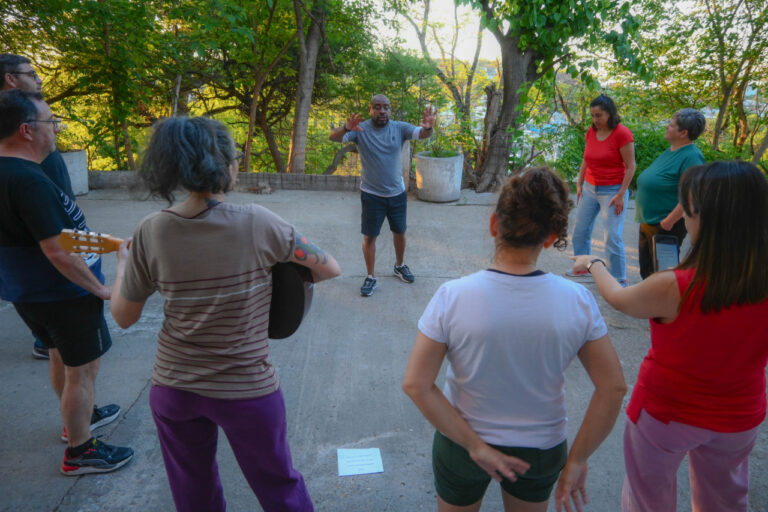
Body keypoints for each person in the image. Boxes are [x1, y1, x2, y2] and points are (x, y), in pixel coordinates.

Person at [110, 116, 341, 512]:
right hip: (246, 388)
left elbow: (124, 316)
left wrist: (122, 265)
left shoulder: (151, 230)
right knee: (279, 487)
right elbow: (328, 267)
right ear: (226, 165)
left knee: (193, 492)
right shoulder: (258, 222)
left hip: (175, 387)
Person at [403, 167, 627, 512]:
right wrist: (578, 458)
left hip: (461, 442)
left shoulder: (453, 296)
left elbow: (417, 385)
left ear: (495, 225)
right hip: (541, 449)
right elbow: (612, 387)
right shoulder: (577, 301)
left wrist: (475, 446)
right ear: (551, 236)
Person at [571, 161, 768, 512]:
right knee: (725, 499)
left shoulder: (673, 286)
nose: (683, 219)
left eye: (687, 210)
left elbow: (618, 298)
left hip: (664, 414)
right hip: (739, 416)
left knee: (648, 500)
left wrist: (594, 263)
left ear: (704, 218)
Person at [0, 89, 132, 475]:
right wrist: (102, 289)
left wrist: (100, 243)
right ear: (26, 130)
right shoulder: (29, 181)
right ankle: (80, 449)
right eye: (50, 122)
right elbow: (57, 251)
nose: (55, 129)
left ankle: (79, 418)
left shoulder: (8, 174)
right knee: (83, 369)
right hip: (64, 293)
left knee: (61, 355)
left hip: (29, 293)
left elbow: (47, 234)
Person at [1, 53, 76, 360]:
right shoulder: (20, 172)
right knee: (50, 245)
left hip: (47, 190)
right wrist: (102, 290)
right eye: (31, 73)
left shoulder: (25, 112)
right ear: (10, 79)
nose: (39, 77)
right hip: (36, 197)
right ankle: (53, 338)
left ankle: (50, 337)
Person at [329, 94, 435, 296]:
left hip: (397, 194)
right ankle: (370, 276)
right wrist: (346, 128)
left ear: (390, 110)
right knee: (370, 237)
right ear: (370, 110)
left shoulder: (399, 128)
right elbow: (333, 137)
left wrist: (428, 127)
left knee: (400, 232)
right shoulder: (360, 130)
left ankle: (400, 265)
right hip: (372, 195)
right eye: (377, 107)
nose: (382, 111)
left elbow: (421, 134)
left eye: (385, 107)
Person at [567, 93, 635, 286]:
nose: (595, 120)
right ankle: (582, 268)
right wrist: (579, 183)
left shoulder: (622, 133)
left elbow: (631, 166)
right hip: (589, 188)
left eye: (599, 115)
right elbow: (586, 158)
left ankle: (618, 278)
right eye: (593, 115)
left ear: (610, 114)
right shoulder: (591, 131)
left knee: (612, 236)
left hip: (613, 191)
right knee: (580, 230)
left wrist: (621, 194)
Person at [634, 108, 705, 279]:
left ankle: (665, 305)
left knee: (663, 272)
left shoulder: (692, 156)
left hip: (666, 224)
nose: (667, 127)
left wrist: (670, 220)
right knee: (648, 270)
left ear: (683, 132)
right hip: (650, 221)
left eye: (671, 125)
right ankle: (650, 303)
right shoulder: (672, 149)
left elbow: (692, 194)